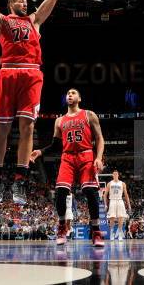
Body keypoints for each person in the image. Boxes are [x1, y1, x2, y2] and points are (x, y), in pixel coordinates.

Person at [0, 0, 58, 205]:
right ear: (10, 4)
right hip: (8, 73)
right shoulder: (2, 21)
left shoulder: (35, 22)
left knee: (28, 129)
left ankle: (20, 179)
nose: (23, 3)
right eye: (18, 1)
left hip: (32, 75)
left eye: (25, 1)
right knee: (2, 129)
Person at [30, 88, 105, 247]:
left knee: (90, 191)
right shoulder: (59, 121)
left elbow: (99, 138)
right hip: (68, 157)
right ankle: (62, 228)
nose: (69, 95)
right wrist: (41, 151)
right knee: (61, 191)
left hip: (86, 155)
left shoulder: (89, 114)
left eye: (73, 93)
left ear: (79, 98)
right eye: (68, 93)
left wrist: (98, 158)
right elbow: (56, 145)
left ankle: (96, 231)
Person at [104, 170, 132, 241]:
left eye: (116, 174)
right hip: (112, 200)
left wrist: (129, 205)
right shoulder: (109, 183)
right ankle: (112, 233)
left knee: (120, 217)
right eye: (114, 174)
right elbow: (105, 195)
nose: (115, 175)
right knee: (112, 217)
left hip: (120, 200)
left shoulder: (122, 183)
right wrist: (105, 204)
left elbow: (126, 195)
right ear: (112, 175)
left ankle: (120, 233)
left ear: (118, 175)